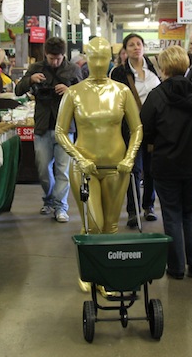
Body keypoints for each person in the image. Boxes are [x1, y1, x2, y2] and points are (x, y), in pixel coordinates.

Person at [55, 37, 141, 236]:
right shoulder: (74, 93)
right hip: (84, 167)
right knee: (93, 226)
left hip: (117, 167)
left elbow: (137, 128)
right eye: (95, 58)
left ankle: (107, 265)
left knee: (111, 227)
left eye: (104, 59)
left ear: (110, 59)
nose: (100, 64)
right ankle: (91, 264)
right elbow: (60, 131)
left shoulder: (122, 91)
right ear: (87, 59)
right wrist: (79, 158)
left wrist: (130, 157)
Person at [140, 45, 192, 279]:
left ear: (163, 67)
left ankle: (177, 268)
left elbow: (145, 129)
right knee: (191, 212)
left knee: (171, 213)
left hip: (166, 164)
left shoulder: (156, 96)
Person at [14, 36, 81, 224]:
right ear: (45, 54)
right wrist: (30, 80)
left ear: (64, 55)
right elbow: (18, 90)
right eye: (51, 58)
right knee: (43, 170)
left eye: (58, 58)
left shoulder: (73, 70)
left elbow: (85, 96)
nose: (55, 62)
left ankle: (60, 206)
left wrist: (70, 91)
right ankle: (49, 198)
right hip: (42, 127)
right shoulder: (36, 68)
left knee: (63, 171)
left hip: (66, 126)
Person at [110, 33, 161, 227]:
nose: (135, 47)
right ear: (125, 50)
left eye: (138, 44)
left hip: (154, 128)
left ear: (144, 47)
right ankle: (133, 210)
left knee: (151, 169)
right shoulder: (118, 73)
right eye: (131, 45)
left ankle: (149, 206)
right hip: (130, 128)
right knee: (133, 169)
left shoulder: (154, 69)